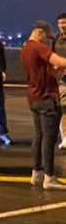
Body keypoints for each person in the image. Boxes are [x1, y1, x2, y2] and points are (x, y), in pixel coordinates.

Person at [20, 21, 66, 189]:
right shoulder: (39, 47)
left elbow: (42, 70)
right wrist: (61, 63)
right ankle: (50, 177)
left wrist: (55, 69)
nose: (48, 41)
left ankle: (36, 173)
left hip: (34, 97)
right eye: (47, 37)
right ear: (40, 32)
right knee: (49, 138)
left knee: (39, 136)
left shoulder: (25, 49)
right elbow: (59, 60)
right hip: (46, 98)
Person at [54, 13, 66, 150]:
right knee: (63, 108)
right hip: (61, 81)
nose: (62, 26)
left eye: (64, 23)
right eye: (60, 23)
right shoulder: (56, 39)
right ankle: (65, 137)